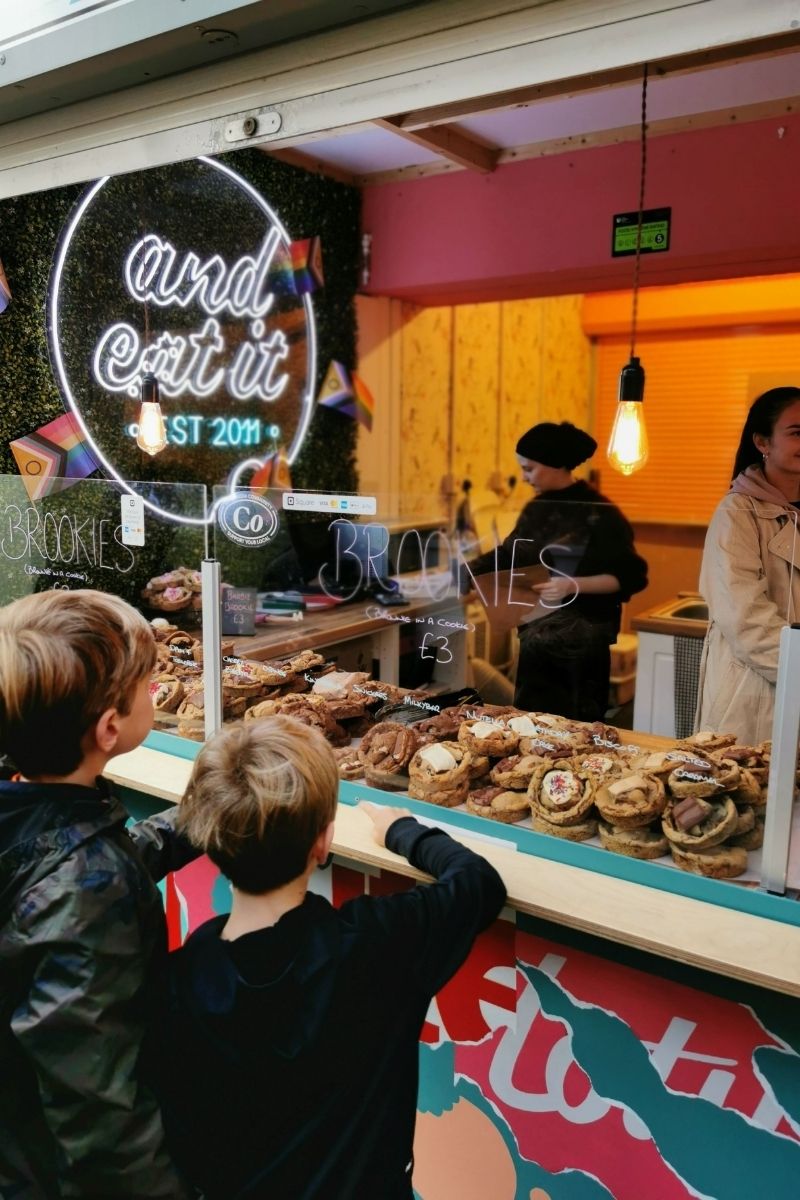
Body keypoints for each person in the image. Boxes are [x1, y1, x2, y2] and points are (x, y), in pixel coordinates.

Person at [157, 715, 506, 1200]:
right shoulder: (378, 943)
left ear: (211, 849)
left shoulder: (177, 983)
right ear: (322, 843)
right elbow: (478, 883)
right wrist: (404, 832)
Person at [0, 588, 197, 1199]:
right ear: (110, 728)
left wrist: (193, 817)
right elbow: (98, 1111)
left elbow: (49, 875)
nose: (154, 694)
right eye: (146, 686)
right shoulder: (89, 890)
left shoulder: (28, 810)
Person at [463, 421, 647, 720]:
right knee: (530, 727)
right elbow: (510, 554)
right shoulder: (537, 510)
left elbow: (630, 576)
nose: (524, 477)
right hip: (537, 642)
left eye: (530, 469)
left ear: (557, 464)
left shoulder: (599, 513)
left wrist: (571, 585)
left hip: (582, 651)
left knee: (575, 731)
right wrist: (462, 576)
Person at [696, 386, 800, 744]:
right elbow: (746, 619)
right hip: (753, 689)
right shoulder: (737, 512)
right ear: (762, 442)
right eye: (796, 432)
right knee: (743, 790)